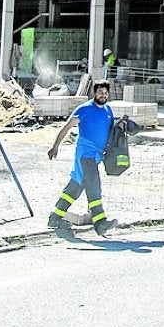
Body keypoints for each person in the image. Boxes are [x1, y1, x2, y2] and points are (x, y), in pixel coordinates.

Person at [48, 80, 117, 234]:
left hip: (96, 156)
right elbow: (67, 126)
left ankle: (55, 217)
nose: (103, 95)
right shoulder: (84, 109)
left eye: (105, 93)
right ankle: (100, 223)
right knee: (93, 186)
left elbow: (112, 129)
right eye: (100, 92)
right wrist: (55, 146)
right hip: (86, 155)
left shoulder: (108, 110)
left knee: (76, 186)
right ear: (94, 93)